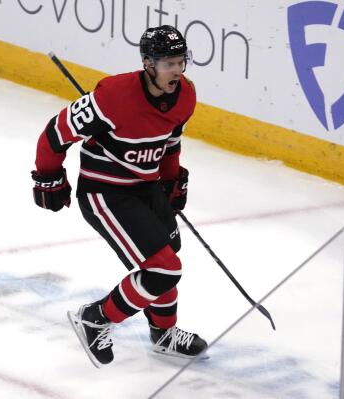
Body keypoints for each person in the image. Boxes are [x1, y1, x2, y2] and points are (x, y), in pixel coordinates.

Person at [31, 25, 207, 368]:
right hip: (105, 192)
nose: (176, 71)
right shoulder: (112, 96)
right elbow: (54, 135)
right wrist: (48, 176)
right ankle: (95, 318)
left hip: (145, 186)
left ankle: (163, 334)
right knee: (163, 270)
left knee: (166, 257)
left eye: (180, 61)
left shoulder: (186, 95)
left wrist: (172, 182)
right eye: (168, 63)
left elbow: (170, 143)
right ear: (148, 63)